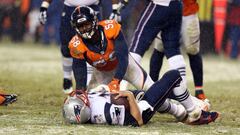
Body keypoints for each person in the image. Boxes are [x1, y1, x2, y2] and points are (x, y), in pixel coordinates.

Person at [68, 6, 217, 124]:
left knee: (153, 89)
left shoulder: (110, 28)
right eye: (80, 26)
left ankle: (196, 103)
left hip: (125, 65)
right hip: (102, 73)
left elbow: (123, 56)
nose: (84, 29)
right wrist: (80, 90)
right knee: (98, 103)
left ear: (94, 21)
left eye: (86, 24)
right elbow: (79, 69)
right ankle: (178, 111)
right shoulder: (76, 45)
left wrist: (116, 81)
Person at [62, 70, 219, 126]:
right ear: (83, 108)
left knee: (160, 89)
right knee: (173, 76)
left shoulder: (89, 107)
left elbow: (102, 96)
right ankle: (194, 114)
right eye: (79, 100)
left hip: (132, 102)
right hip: (143, 109)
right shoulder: (104, 113)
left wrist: (103, 89)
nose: (80, 96)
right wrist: (130, 96)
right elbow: (137, 121)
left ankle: (180, 113)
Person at [149, 0, 207, 100]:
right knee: (159, 48)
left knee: (192, 49)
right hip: (166, 10)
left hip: (187, 12)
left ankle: (199, 89)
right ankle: (150, 87)